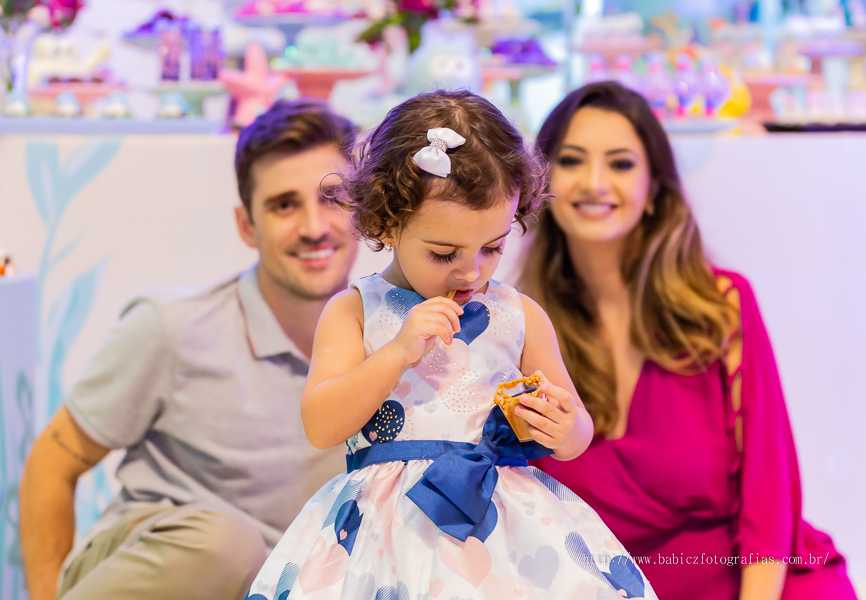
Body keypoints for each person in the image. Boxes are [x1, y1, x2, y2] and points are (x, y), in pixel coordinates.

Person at [246, 90, 659, 600]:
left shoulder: (520, 315)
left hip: (501, 528)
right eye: (444, 253)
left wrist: (563, 426)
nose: (471, 271)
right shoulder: (354, 310)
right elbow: (321, 424)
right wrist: (396, 352)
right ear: (385, 224)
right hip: (385, 533)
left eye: (492, 247)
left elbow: (577, 429)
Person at [521, 82, 857, 600]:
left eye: (621, 163)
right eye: (571, 160)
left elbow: (769, 493)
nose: (594, 182)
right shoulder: (518, 326)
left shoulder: (720, 304)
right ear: (541, 183)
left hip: (757, 581)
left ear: (655, 185)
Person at [19, 99, 360, 600]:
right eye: (284, 205)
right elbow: (53, 462)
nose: (313, 226)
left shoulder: (395, 343)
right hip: (143, 565)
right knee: (226, 545)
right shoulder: (171, 327)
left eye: (332, 197)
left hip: (274, 586)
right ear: (247, 225)